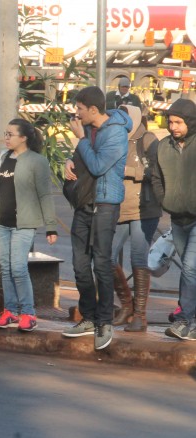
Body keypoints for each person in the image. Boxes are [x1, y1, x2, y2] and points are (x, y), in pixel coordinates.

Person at [61, 86, 131, 350]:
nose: (76, 114)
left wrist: (79, 140)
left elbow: (100, 166)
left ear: (92, 109)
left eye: (79, 108)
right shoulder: (88, 129)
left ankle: (104, 321)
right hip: (83, 203)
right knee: (80, 265)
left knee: (101, 264)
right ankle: (88, 317)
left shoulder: (115, 132)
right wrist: (69, 160)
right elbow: (83, 156)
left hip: (105, 203)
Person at [0, 118, 57, 333]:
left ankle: (28, 313)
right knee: (6, 268)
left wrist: (51, 226)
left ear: (24, 137)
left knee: (18, 268)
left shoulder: (37, 161)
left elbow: (45, 194)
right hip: (2, 222)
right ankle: (10, 311)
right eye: (6, 133)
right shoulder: (3, 157)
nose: (7, 138)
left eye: (11, 134)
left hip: (24, 223)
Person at [109, 105, 162, 332]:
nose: (121, 122)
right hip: (119, 208)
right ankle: (126, 306)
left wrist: (130, 171)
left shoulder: (148, 139)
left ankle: (140, 314)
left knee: (138, 259)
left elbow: (158, 173)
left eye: (125, 117)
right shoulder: (115, 138)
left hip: (144, 209)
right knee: (107, 257)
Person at [150, 98, 196, 341]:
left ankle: (184, 320)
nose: (173, 126)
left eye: (179, 122)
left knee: (189, 267)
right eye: (170, 122)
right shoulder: (163, 147)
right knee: (191, 272)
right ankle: (191, 319)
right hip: (178, 218)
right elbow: (156, 178)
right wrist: (164, 200)